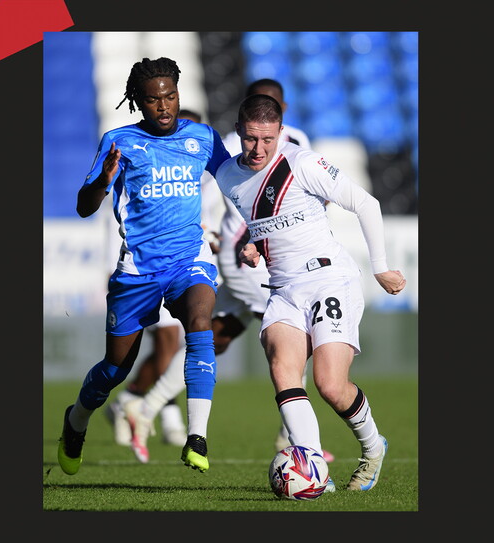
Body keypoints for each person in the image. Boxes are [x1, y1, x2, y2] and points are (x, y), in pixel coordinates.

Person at [121, 81, 335, 464]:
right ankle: (293, 441)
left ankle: (144, 405)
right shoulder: (242, 148)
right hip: (247, 255)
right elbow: (209, 189)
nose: (260, 140)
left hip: (264, 254)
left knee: (216, 337)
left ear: (281, 112)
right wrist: (217, 232)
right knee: (294, 337)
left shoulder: (291, 143)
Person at [214, 93, 406, 491]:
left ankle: (373, 448)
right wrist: (255, 244)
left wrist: (381, 268)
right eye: (250, 138)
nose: (259, 148)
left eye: (267, 139)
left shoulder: (302, 163)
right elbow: (263, 219)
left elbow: (366, 203)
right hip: (283, 289)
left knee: (330, 386)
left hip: (328, 279)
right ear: (238, 132)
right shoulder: (227, 176)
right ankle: (314, 470)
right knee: (283, 371)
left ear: (280, 133)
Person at [56, 57, 230, 476]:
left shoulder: (202, 137)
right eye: (154, 100)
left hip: (190, 259)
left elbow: (236, 182)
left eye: (170, 96)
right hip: (138, 271)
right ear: (138, 102)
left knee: (201, 323)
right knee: (115, 369)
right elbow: (84, 206)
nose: (165, 106)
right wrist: (103, 180)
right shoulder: (119, 141)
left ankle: (196, 437)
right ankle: (76, 419)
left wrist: (257, 233)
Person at [103, 108, 220, 452]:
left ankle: (149, 410)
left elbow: (213, 213)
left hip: (190, 262)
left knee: (189, 339)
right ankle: (137, 404)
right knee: (166, 346)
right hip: (145, 267)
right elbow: (117, 219)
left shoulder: (205, 172)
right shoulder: (142, 164)